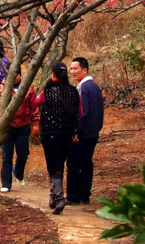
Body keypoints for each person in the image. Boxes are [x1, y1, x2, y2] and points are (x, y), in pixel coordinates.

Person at [35, 62, 79, 214]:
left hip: (51, 133)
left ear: (53, 74)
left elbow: (36, 102)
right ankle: (53, 197)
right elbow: (79, 112)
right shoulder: (73, 91)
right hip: (68, 134)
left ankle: (59, 198)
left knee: (53, 167)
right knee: (59, 165)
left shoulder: (48, 91)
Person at [0, 64, 36, 193]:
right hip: (8, 127)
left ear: (20, 75)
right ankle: (6, 183)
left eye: (16, 74)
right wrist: (1, 90)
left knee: (23, 153)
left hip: (23, 125)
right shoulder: (3, 87)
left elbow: (34, 107)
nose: (13, 76)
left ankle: (18, 172)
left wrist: (36, 123)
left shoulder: (28, 88)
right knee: (7, 155)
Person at [67, 56, 103, 205]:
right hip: (93, 132)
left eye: (75, 69)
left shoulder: (84, 88)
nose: (72, 72)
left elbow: (82, 112)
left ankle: (74, 195)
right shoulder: (94, 87)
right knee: (86, 163)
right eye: (71, 69)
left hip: (84, 133)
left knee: (74, 163)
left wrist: (76, 131)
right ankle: (84, 194)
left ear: (84, 70)